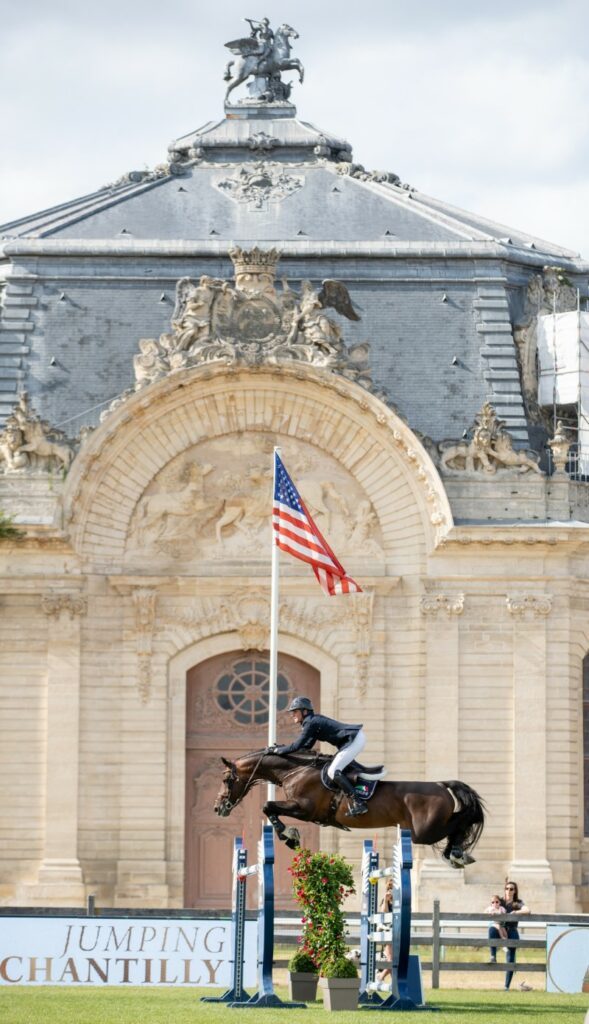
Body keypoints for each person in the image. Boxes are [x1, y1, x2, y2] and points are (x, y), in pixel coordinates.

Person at [271, 696, 368, 817]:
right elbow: (305, 747)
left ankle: (359, 803)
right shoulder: (312, 722)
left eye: (295, 711)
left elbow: (296, 745)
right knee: (335, 769)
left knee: (333, 771)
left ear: (304, 711)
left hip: (354, 739)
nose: (292, 714)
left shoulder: (310, 722)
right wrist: (282, 750)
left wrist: (277, 750)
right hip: (353, 739)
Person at [487, 881, 530, 990]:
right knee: (492, 930)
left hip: (511, 929)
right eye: (507, 888)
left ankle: (506, 986)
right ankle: (493, 956)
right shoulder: (500, 901)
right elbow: (489, 907)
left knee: (510, 958)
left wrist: (516, 913)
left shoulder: (517, 903)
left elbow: (527, 910)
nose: (509, 891)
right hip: (500, 928)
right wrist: (490, 911)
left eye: (511, 889)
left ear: (515, 891)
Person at [376, 879, 393, 983]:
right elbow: (384, 914)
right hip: (388, 932)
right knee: (391, 959)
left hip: (398, 932)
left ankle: (382, 977)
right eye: (391, 888)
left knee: (394, 960)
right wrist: (386, 900)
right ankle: (380, 977)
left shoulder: (400, 900)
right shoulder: (385, 899)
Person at [485, 894, 508, 961]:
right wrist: (489, 913)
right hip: (493, 923)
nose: (495, 903)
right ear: (491, 903)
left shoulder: (501, 908)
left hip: (501, 923)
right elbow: (484, 912)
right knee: (498, 927)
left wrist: (501, 914)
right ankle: (502, 939)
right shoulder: (490, 908)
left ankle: (505, 943)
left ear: (499, 902)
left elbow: (505, 914)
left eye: (497, 902)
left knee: (504, 931)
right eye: (493, 902)